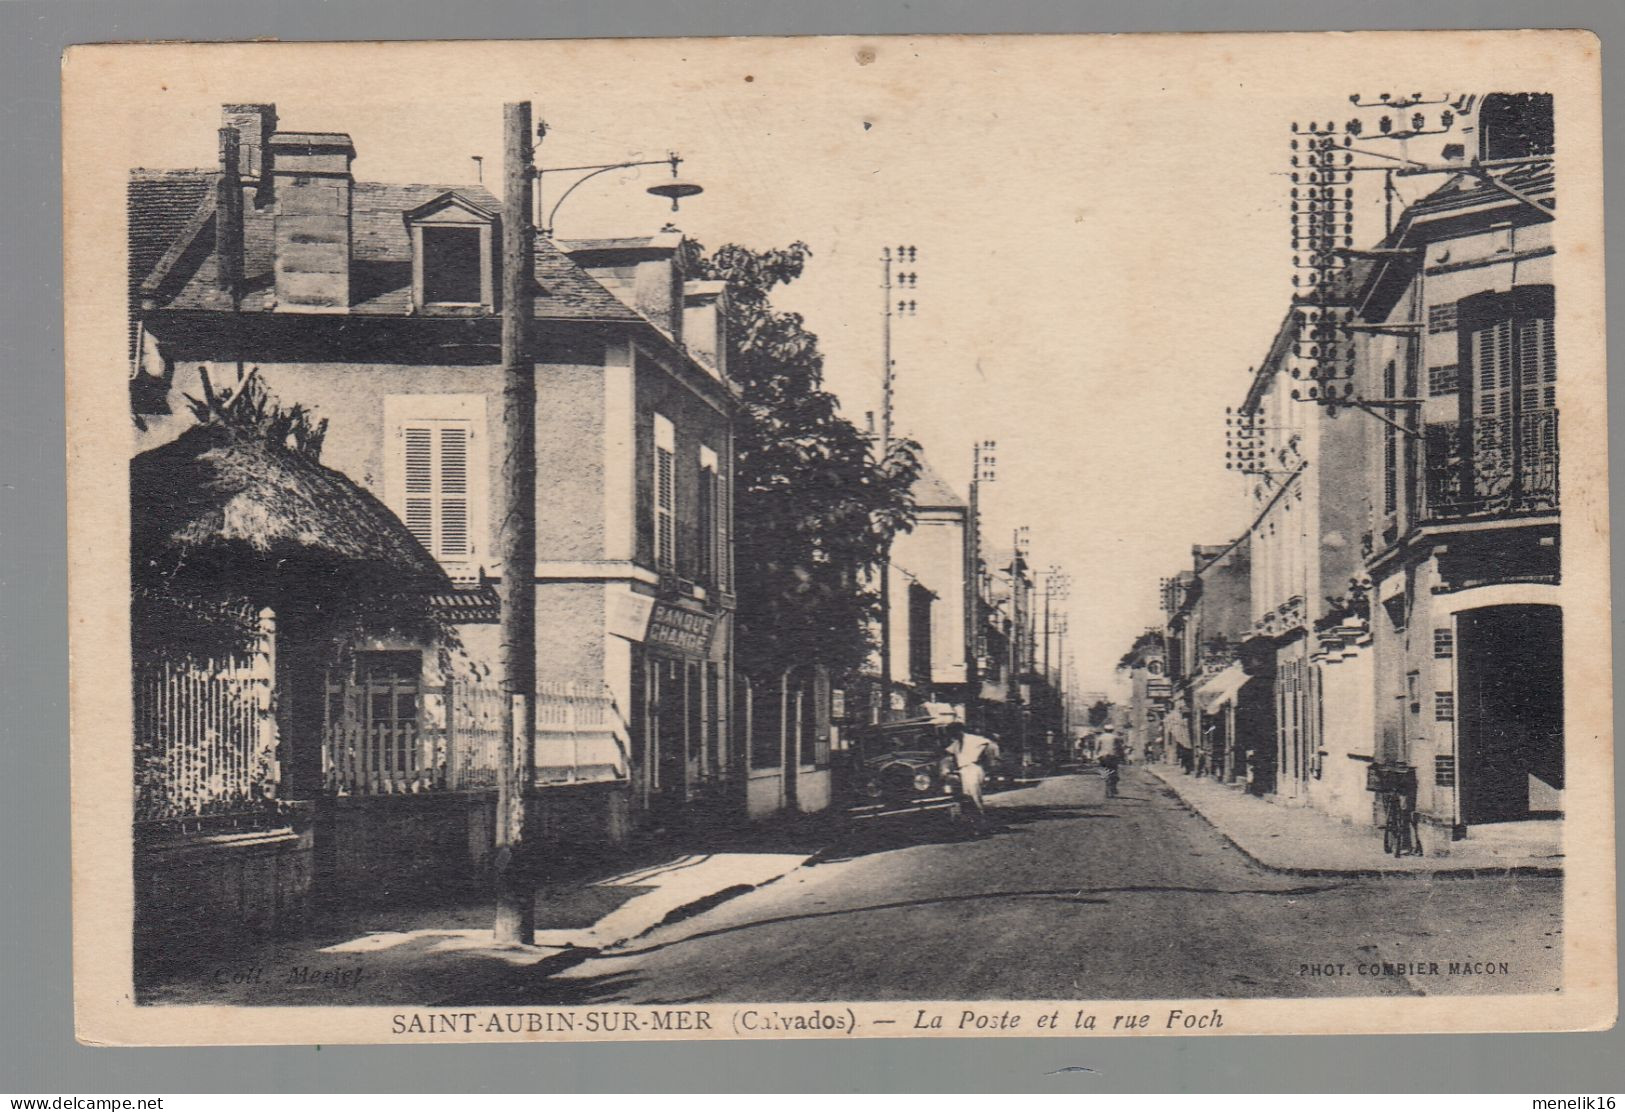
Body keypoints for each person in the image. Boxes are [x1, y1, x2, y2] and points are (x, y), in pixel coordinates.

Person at [944, 723, 997, 828]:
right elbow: (948, 753)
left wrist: (990, 763)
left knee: (974, 795)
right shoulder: (956, 743)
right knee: (964, 795)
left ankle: (980, 821)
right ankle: (970, 821)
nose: (952, 735)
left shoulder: (974, 739)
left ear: (960, 731)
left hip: (973, 768)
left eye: (953, 732)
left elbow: (991, 745)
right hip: (962, 770)